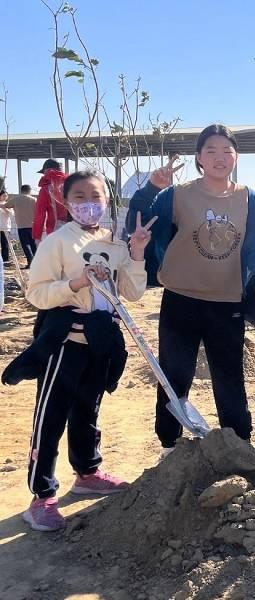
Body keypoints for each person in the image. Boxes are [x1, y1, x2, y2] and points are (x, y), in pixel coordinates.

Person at [2, 170, 152, 531]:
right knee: (51, 416)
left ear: (108, 200)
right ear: (65, 202)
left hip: (99, 343)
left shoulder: (113, 242)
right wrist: (75, 284)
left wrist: (136, 253)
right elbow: (36, 293)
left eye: (96, 196)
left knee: (88, 410)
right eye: (80, 197)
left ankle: (87, 472)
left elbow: (130, 294)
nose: (89, 204)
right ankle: (42, 495)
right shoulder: (57, 242)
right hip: (65, 343)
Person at [127, 124, 255, 457]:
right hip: (181, 299)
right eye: (211, 150)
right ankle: (169, 444)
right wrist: (151, 188)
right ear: (199, 157)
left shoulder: (248, 198)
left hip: (226, 304)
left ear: (236, 156)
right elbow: (139, 223)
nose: (219, 157)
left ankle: (238, 445)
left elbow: (253, 248)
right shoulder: (178, 194)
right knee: (174, 376)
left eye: (227, 150)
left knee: (230, 379)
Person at [1, 185, 38, 266]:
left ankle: (30, 261)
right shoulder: (35, 200)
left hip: (22, 226)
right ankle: (36, 262)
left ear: (21, 190)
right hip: (33, 226)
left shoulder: (16, 199)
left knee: (26, 245)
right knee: (33, 245)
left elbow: (5, 205)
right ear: (29, 191)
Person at [32, 159, 68, 243]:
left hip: (55, 231)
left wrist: (37, 236)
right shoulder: (72, 185)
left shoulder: (45, 189)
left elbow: (39, 215)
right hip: (75, 230)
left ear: (47, 171)